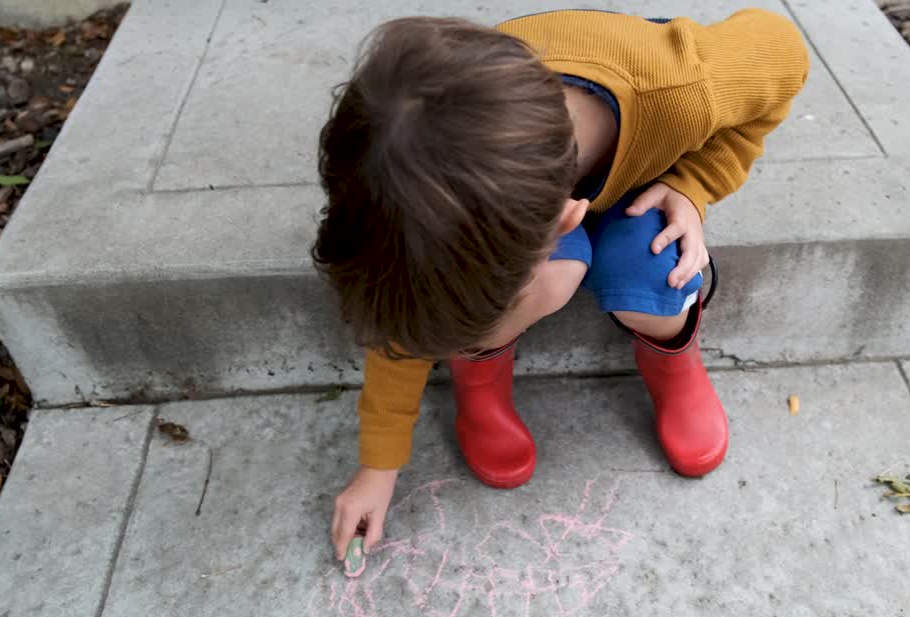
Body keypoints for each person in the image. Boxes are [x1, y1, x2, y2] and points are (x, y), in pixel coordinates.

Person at [314, 10, 809, 560]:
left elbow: (783, 50)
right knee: (552, 279)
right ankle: (480, 378)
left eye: (464, 336)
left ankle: (672, 355)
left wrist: (694, 183)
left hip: (640, 168)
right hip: (531, 187)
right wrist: (378, 465)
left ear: (563, 223)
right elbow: (412, 296)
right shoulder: (415, 190)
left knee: (660, 271)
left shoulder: (683, 88)